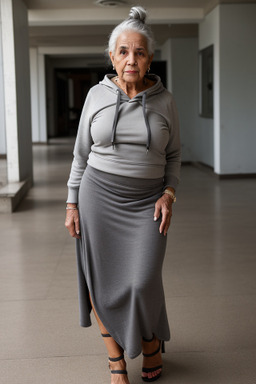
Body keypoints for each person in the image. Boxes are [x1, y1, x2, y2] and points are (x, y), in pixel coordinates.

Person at [65, 6, 181, 384]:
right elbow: (81, 153)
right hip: (97, 196)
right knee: (101, 280)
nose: (131, 59)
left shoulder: (164, 100)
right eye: (123, 52)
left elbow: (175, 155)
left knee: (142, 280)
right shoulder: (96, 96)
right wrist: (71, 201)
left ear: (150, 58)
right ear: (112, 56)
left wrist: (169, 194)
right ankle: (115, 359)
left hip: (148, 200)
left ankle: (150, 342)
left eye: (140, 52)